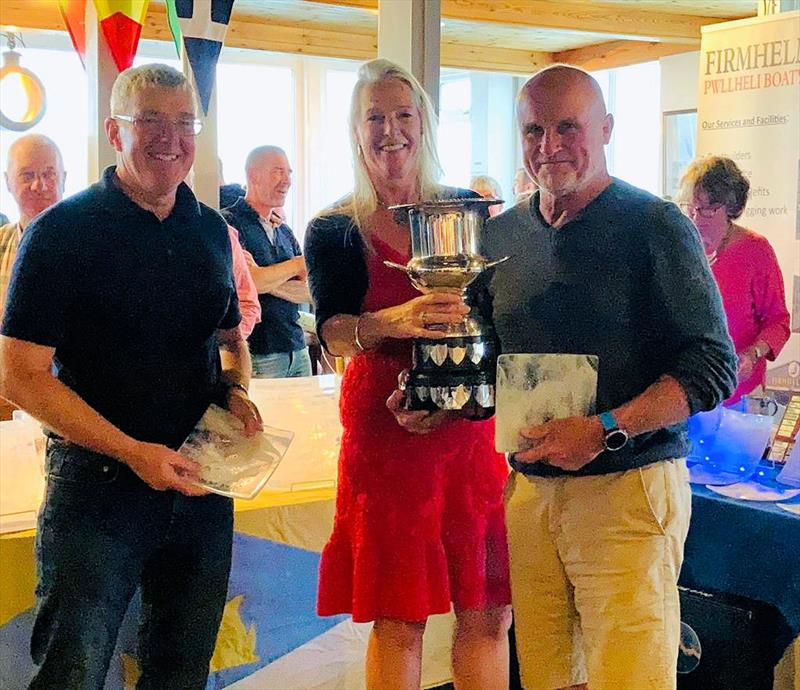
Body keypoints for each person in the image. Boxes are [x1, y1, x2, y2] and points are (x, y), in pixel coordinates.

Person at [0, 63, 263, 690]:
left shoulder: (208, 230)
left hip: (199, 487)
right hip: (97, 492)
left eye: (183, 123)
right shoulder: (62, 234)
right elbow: (19, 376)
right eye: (150, 121)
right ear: (115, 133)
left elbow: (231, 341)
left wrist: (238, 391)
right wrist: (130, 451)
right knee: (73, 672)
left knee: (181, 670)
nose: (168, 138)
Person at [481, 65, 736, 690]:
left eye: (568, 127)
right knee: (545, 679)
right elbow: (491, 359)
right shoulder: (500, 234)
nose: (550, 146)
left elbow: (712, 365)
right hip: (531, 495)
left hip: (627, 492)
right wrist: (439, 399)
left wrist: (605, 430)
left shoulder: (656, 227)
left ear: (607, 128)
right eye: (533, 130)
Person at [304, 58, 511, 690]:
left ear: (424, 124)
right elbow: (333, 331)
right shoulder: (333, 228)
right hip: (385, 433)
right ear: (356, 130)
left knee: (489, 612)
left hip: (471, 431)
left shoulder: (469, 212)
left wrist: (460, 401)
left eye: (403, 115)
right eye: (375, 117)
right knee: (401, 621)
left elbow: (495, 326)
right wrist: (400, 318)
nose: (390, 131)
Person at [678, 155, 790, 403]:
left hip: (737, 394)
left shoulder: (755, 250)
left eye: (706, 210)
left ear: (729, 207)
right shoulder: (681, 248)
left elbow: (778, 321)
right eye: (690, 208)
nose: (695, 218)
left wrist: (753, 353)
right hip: (687, 389)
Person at [222, 146, 312, 378]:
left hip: (297, 347)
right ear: (253, 175)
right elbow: (249, 282)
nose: (287, 181)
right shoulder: (229, 222)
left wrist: (264, 278)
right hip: (259, 352)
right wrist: (295, 265)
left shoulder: (284, 230)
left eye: (289, 173)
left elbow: (310, 292)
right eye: (278, 172)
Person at [1, 134, 66, 320]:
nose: (39, 186)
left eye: (49, 174)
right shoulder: (1, 243)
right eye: (27, 176)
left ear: (64, 179)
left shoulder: (90, 245)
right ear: (7, 182)